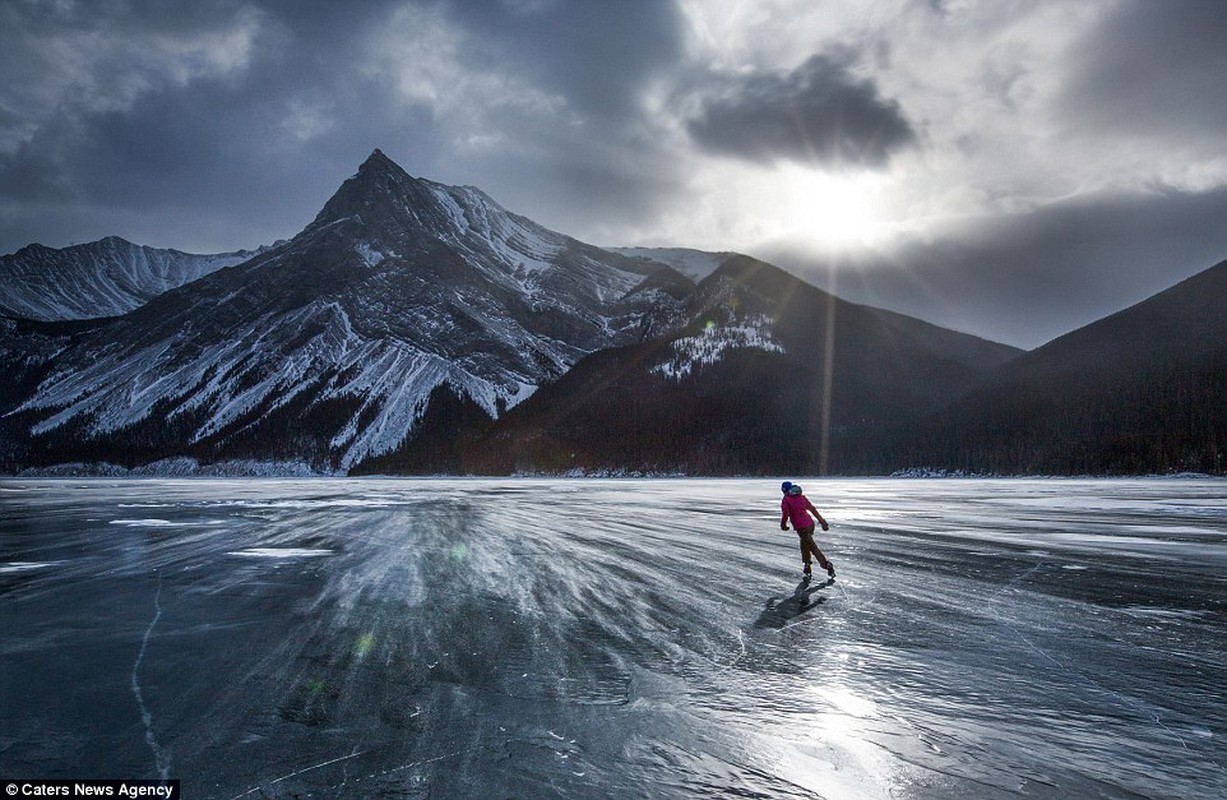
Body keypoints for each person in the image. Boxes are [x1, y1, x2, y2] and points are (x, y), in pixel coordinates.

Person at [779, 481, 835, 578]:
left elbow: (785, 514)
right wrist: (822, 521)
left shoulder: (786, 500)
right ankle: (807, 565)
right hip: (810, 524)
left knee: (811, 546)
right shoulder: (801, 497)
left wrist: (783, 525)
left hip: (802, 527)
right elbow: (812, 509)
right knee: (805, 544)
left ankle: (826, 565)